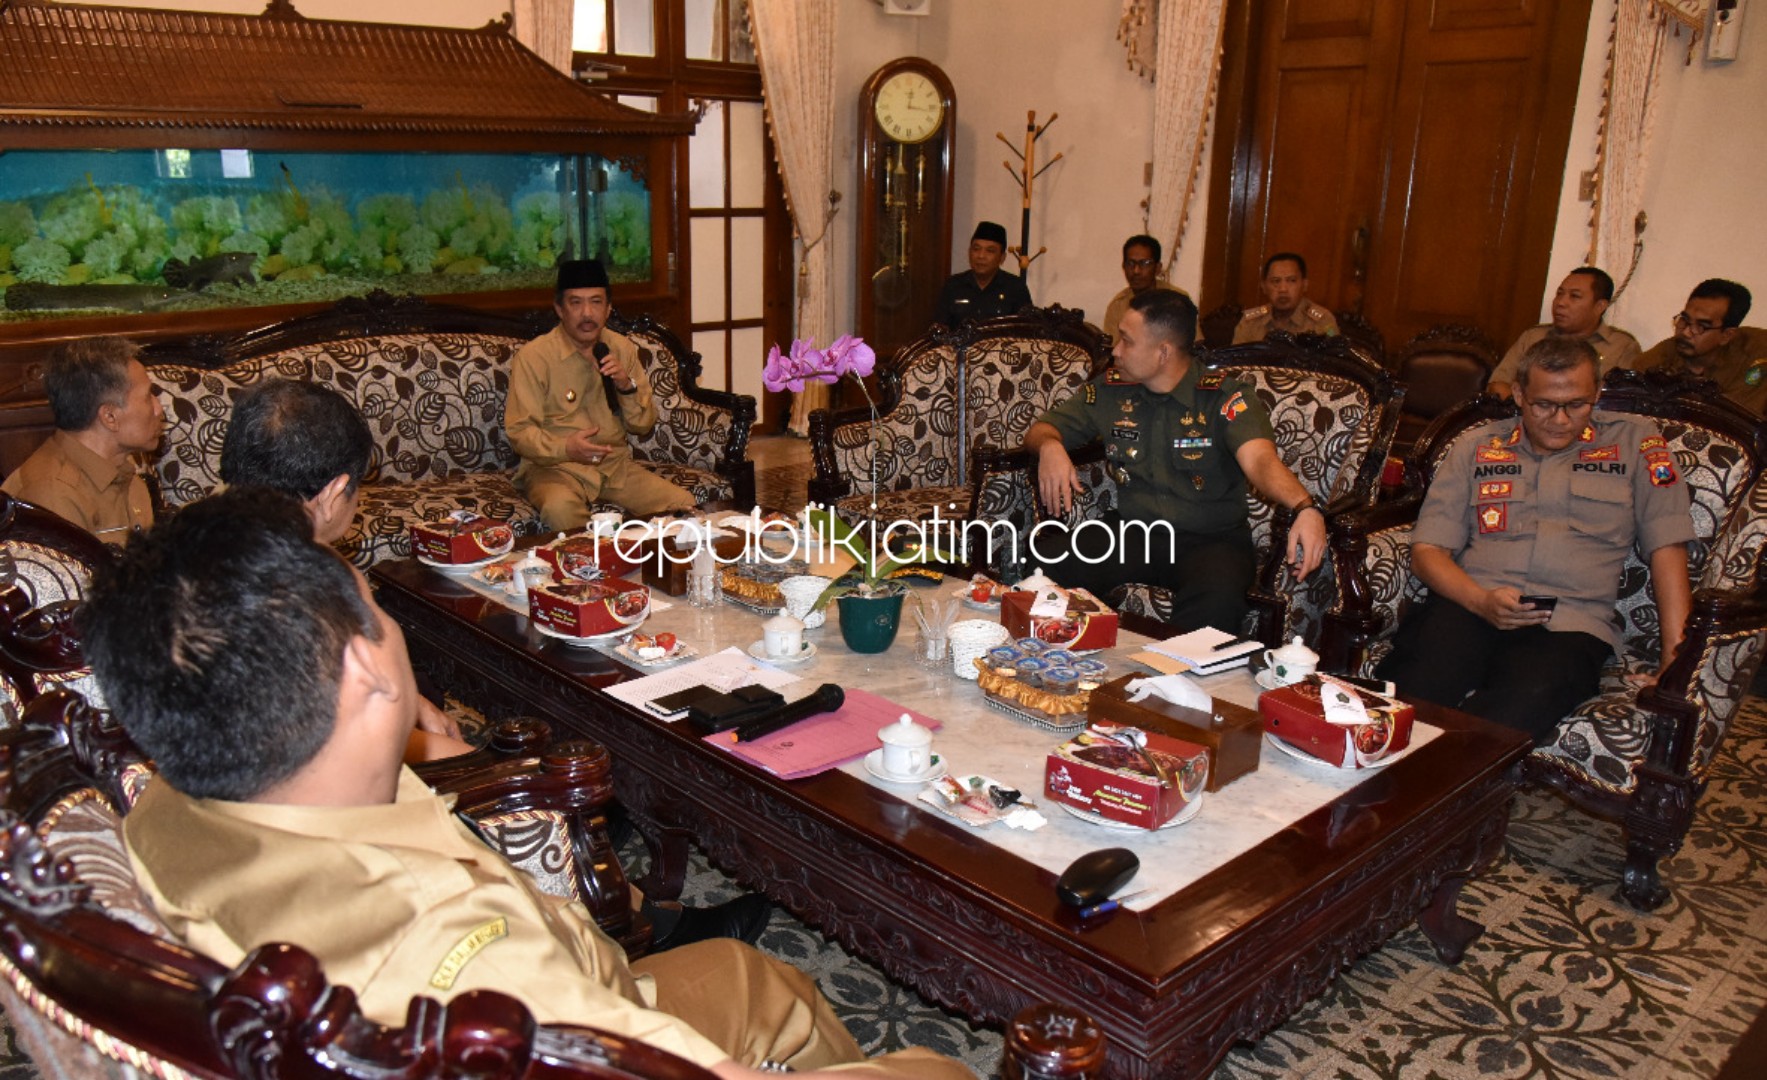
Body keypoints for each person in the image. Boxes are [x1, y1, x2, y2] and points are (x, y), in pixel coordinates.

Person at [85, 489, 967, 1080]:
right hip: (571, 1020)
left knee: (758, 978)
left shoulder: (174, 801)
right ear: (365, 664)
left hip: (592, 985)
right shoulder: (462, 962)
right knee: (938, 1069)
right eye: (378, 609)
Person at [216, 379, 764, 948]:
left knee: (489, 751)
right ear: (332, 494)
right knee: (530, 783)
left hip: (254, 783)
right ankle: (639, 923)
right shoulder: (321, 585)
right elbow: (360, 725)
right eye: (356, 493)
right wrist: (512, 782)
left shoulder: (201, 552)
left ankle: (583, 822)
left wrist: (420, 707)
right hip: (330, 817)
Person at [1377, 337, 1693, 742]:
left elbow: (1668, 547)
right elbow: (1428, 552)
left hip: (1570, 625)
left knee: (1518, 706)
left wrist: (1675, 662)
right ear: (1520, 395)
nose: (1560, 419)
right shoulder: (1476, 447)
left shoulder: (1637, 443)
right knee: (1414, 689)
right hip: (1472, 605)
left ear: (1596, 393)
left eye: (1576, 404)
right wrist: (1479, 601)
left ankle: (1454, 792)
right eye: (1544, 405)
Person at [1025, 290, 1327, 634]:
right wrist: (1050, 446)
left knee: (1214, 609)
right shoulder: (1110, 390)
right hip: (1134, 533)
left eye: (1126, 340)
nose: (1115, 351)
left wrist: (1305, 506)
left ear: (1163, 352)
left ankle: (1170, 686)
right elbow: (1040, 429)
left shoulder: (1225, 398)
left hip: (1211, 541)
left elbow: (1260, 460)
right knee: (1045, 563)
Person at [506, 259, 696, 530]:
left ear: (608, 309)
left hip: (614, 467)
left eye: (596, 302)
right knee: (561, 510)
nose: (587, 313)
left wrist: (624, 385)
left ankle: (651, 569)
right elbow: (520, 432)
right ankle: (589, 570)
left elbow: (642, 425)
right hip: (556, 468)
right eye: (576, 303)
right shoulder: (535, 357)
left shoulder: (622, 349)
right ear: (559, 309)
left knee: (681, 507)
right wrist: (566, 447)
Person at [2, 336, 162, 543]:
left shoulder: (127, 476)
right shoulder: (53, 495)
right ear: (110, 417)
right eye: (148, 397)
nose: (159, 408)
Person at [1486, 267, 1640, 397]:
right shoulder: (1533, 337)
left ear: (1600, 306)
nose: (1561, 302)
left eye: (1574, 296)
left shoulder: (1622, 347)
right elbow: (1498, 385)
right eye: (1559, 294)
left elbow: (1624, 404)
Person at [1634, 279, 1766, 416]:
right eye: (1684, 320)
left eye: (1701, 326)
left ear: (1726, 335)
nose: (1685, 332)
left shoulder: (1757, 351)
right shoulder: (1650, 365)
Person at [931, 221, 1033, 329]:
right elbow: (938, 330)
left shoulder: (1015, 288)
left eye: (990, 251)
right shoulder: (953, 286)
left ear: (1002, 257)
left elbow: (1026, 332)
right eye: (976, 249)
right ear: (969, 252)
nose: (981, 256)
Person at [1232, 253, 1339, 344]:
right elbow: (1234, 362)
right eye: (1276, 281)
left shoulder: (1323, 321)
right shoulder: (1250, 322)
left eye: (1291, 280)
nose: (1283, 289)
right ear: (1264, 287)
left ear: (1305, 285)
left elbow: (1334, 359)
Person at [1100, 234, 1190, 340]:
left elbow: (1193, 348)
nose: (1136, 270)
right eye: (1131, 263)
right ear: (1123, 267)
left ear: (1157, 268)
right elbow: (1111, 351)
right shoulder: (1117, 306)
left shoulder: (1178, 300)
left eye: (1144, 263)